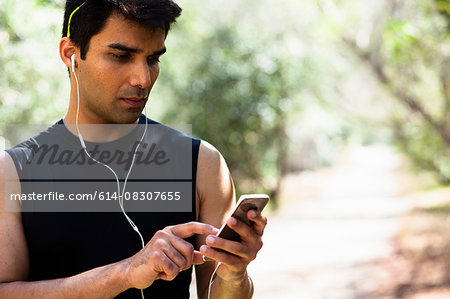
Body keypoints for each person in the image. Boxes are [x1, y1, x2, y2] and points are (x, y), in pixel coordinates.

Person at [0, 0, 267, 298]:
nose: (142, 79)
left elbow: (216, 293)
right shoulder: (13, 172)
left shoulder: (202, 164)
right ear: (71, 54)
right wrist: (125, 273)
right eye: (120, 56)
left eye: (153, 59)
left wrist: (234, 274)